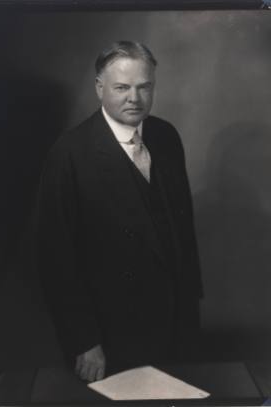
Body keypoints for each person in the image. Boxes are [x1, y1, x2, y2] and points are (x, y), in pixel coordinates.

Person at [35, 41, 203, 383]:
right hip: (110, 334)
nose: (135, 98)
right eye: (122, 87)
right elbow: (55, 259)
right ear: (99, 88)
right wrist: (83, 341)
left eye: (144, 87)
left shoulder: (166, 137)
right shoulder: (69, 153)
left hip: (174, 326)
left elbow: (182, 238)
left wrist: (191, 316)